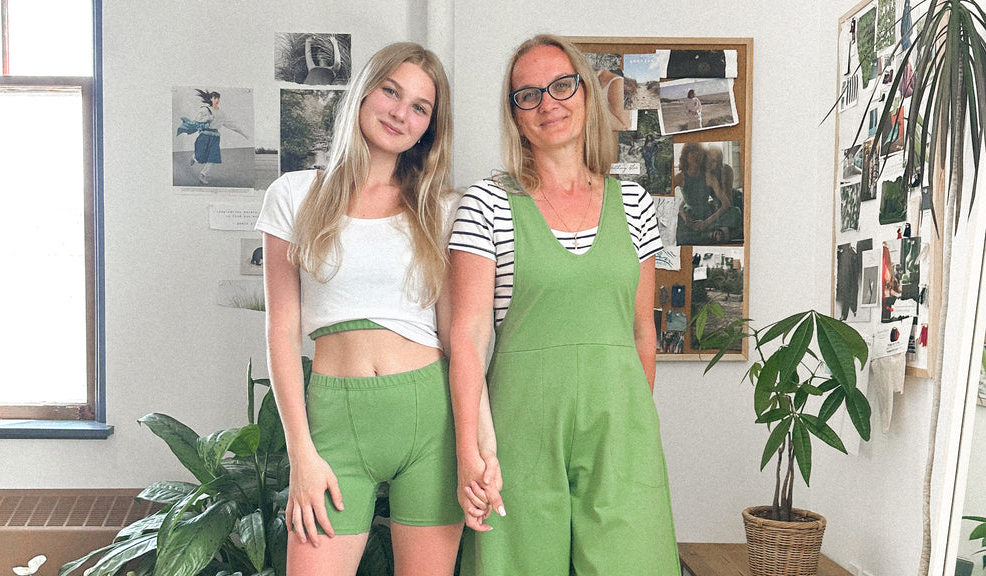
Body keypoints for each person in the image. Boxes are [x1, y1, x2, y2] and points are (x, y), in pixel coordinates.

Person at [448, 34, 679, 575]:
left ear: (585, 93)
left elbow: (642, 332)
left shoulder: (636, 203)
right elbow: (468, 337)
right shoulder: (486, 204)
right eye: (527, 95)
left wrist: (630, 424)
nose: (548, 103)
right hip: (517, 431)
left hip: (620, 429)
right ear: (515, 115)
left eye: (561, 85)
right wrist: (469, 450)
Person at [256, 42, 463, 576]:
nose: (400, 112)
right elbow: (281, 331)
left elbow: (458, 335)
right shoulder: (293, 195)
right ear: (364, 91)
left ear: (429, 128)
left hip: (429, 418)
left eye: (420, 107)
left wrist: (475, 439)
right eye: (391, 91)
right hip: (335, 421)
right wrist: (301, 453)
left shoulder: (441, 208)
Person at [672, 142, 740, 244]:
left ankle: (708, 233)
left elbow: (727, 203)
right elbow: (667, 199)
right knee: (678, 233)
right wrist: (684, 215)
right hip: (689, 214)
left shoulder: (710, 176)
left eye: (698, 153)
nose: (696, 156)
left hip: (708, 214)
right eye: (692, 153)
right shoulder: (680, 177)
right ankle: (709, 235)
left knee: (735, 214)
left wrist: (706, 223)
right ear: (686, 156)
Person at [177, 89, 249, 184]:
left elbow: (231, 125)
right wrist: (207, 118)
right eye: (215, 98)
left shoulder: (221, 114)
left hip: (215, 137)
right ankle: (194, 157)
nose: (217, 100)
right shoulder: (205, 110)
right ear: (211, 99)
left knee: (214, 158)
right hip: (204, 136)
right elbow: (196, 120)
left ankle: (203, 174)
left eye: (218, 98)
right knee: (200, 157)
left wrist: (244, 134)